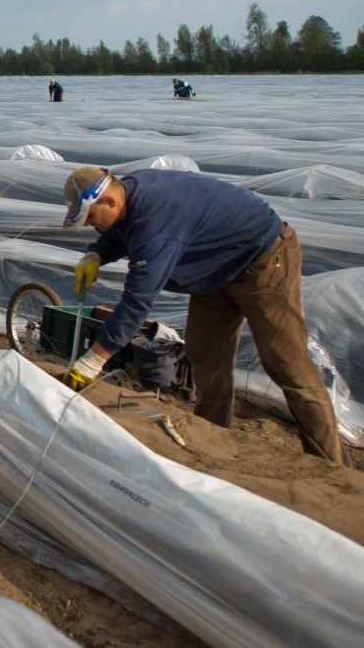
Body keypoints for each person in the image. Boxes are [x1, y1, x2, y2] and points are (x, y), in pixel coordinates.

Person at [63, 166, 347, 464]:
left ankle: (331, 465)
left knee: (286, 364)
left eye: (91, 217)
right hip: (215, 270)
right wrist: (97, 253)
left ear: (108, 200)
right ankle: (215, 441)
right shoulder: (126, 193)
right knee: (206, 356)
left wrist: (95, 358)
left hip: (263, 261)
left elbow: (137, 301)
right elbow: (119, 230)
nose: (91, 225)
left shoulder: (157, 224)